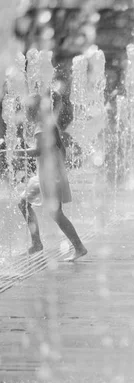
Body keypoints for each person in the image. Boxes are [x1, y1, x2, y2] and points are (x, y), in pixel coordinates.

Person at [11, 94, 87, 260]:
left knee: (56, 213)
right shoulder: (50, 124)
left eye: (28, 109)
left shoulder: (41, 126)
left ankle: (79, 247)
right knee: (23, 203)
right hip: (48, 174)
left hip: (49, 175)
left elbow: (39, 150)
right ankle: (36, 243)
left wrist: (17, 153)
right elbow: (59, 149)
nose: (26, 113)